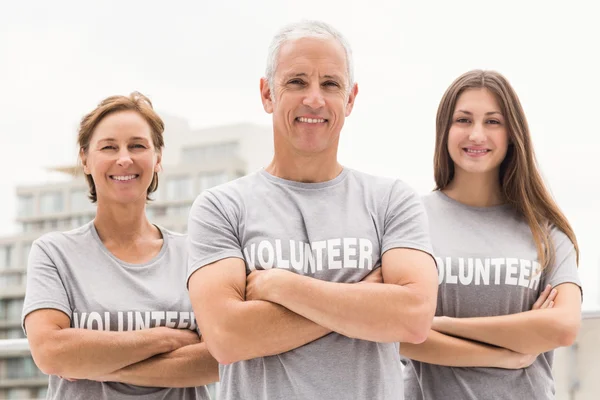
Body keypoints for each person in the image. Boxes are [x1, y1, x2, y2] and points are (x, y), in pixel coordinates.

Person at [186, 20, 438, 400]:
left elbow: (414, 317)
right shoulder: (221, 208)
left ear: (350, 99)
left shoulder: (391, 201)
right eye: (297, 82)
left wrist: (282, 286)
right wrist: (364, 300)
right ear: (267, 94)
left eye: (330, 84)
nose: (315, 99)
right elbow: (227, 337)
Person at [22, 92, 218, 399]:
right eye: (109, 147)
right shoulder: (54, 253)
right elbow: (50, 352)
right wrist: (163, 339)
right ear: (85, 159)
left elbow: (216, 360)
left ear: (157, 159)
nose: (124, 158)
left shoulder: (194, 255)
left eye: (137, 145)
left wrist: (93, 364)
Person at [401, 70, 582, 400]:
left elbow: (563, 326)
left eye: (493, 122)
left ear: (512, 133)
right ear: (444, 130)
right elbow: (395, 333)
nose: (477, 134)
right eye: (463, 120)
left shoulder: (546, 231)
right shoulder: (410, 219)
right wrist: (511, 346)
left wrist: (440, 324)